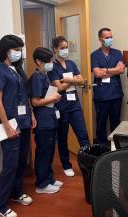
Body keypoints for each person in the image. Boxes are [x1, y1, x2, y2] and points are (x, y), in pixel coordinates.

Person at [0, 35, 36, 217]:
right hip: (11, 124)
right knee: (10, 165)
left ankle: (17, 193)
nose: (19, 52)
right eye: (16, 49)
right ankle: (0, 207)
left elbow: (24, 96)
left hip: (23, 122)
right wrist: (7, 126)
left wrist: (31, 115)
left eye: (20, 49)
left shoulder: (17, 70)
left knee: (21, 162)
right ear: (6, 50)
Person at [48, 36, 90, 177]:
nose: (65, 50)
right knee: (62, 137)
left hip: (75, 105)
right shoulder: (52, 67)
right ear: (55, 49)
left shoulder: (71, 63)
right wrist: (74, 81)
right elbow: (58, 88)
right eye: (62, 48)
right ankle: (66, 165)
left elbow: (82, 81)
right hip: (62, 106)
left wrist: (66, 80)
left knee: (83, 135)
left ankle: (88, 163)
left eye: (66, 47)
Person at [29, 47, 63, 194]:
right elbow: (35, 101)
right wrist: (52, 98)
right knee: (43, 152)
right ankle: (41, 184)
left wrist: (54, 97)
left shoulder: (45, 75)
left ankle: (49, 178)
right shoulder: (36, 77)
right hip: (43, 120)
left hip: (50, 118)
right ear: (38, 61)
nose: (51, 63)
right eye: (48, 61)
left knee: (50, 151)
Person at [91, 28, 125, 145]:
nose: (110, 39)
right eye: (107, 37)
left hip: (116, 94)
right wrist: (114, 70)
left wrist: (105, 70)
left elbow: (121, 70)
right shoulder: (95, 55)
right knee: (101, 122)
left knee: (115, 122)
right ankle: (101, 147)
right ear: (100, 39)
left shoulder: (117, 53)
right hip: (101, 95)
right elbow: (97, 73)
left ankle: (114, 146)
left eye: (111, 37)